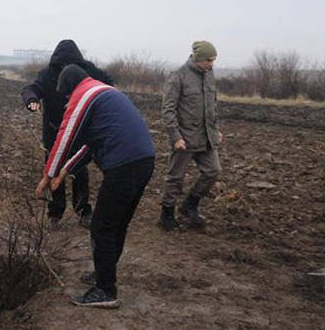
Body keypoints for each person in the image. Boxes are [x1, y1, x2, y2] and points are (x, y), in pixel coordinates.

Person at [35, 65, 155, 308]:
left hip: (124, 165)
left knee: (102, 226)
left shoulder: (84, 95)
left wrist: (48, 175)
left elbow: (65, 136)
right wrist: (64, 172)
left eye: (66, 95)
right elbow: (89, 145)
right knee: (116, 224)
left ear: (70, 88)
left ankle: (105, 290)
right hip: (144, 162)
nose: (67, 100)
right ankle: (104, 272)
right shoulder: (104, 92)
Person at [22, 39, 114, 228]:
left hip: (81, 129)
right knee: (53, 169)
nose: (65, 68)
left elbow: (108, 84)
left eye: (69, 64)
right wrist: (32, 100)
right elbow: (31, 89)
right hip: (54, 129)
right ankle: (55, 213)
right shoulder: (47, 74)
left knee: (79, 171)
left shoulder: (89, 70)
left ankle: (83, 211)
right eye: (62, 64)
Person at [158, 41, 223, 231]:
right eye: (209, 60)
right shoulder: (178, 76)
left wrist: (215, 129)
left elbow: (212, 105)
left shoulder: (209, 75)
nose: (212, 64)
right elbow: (168, 110)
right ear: (198, 59)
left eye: (214, 60)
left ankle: (190, 204)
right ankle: (166, 214)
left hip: (206, 136)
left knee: (213, 170)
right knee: (175, 178)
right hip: (184, 138)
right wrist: (175, 136)